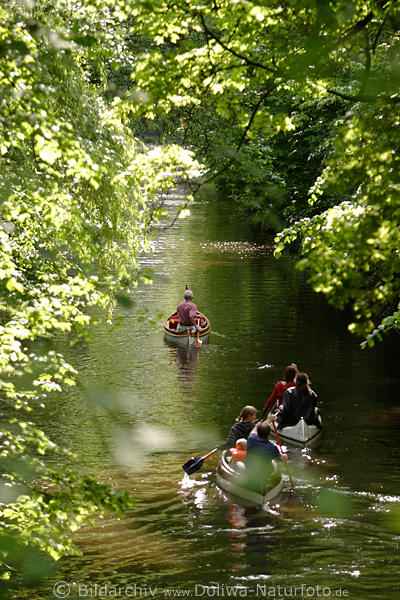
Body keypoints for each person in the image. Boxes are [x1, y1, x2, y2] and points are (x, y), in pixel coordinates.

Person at [244, 421, 282, 490]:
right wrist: (284, 457)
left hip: (250, 470)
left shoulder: (251, 439)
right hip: (266, 473)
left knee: (239, 464)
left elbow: (253, 432)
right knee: (275, 464)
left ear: (257, 432)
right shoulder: (273, 447)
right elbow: (279, 459)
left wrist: (257, 425)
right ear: (269, 433)